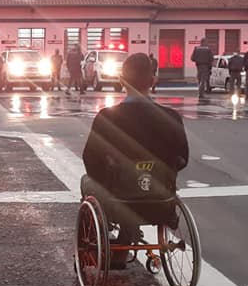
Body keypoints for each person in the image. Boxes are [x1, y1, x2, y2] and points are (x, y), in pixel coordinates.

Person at [80, 53, 188, 268]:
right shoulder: (171, 117)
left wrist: (109, 178)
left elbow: (90, 159)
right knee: (134, 182)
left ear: (121, 81)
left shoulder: (107, 118)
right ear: (152, 81)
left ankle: (92, 249)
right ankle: (127, 236)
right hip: (160, 200)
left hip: (118, 200)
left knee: (88, 181)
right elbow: (182, 158)